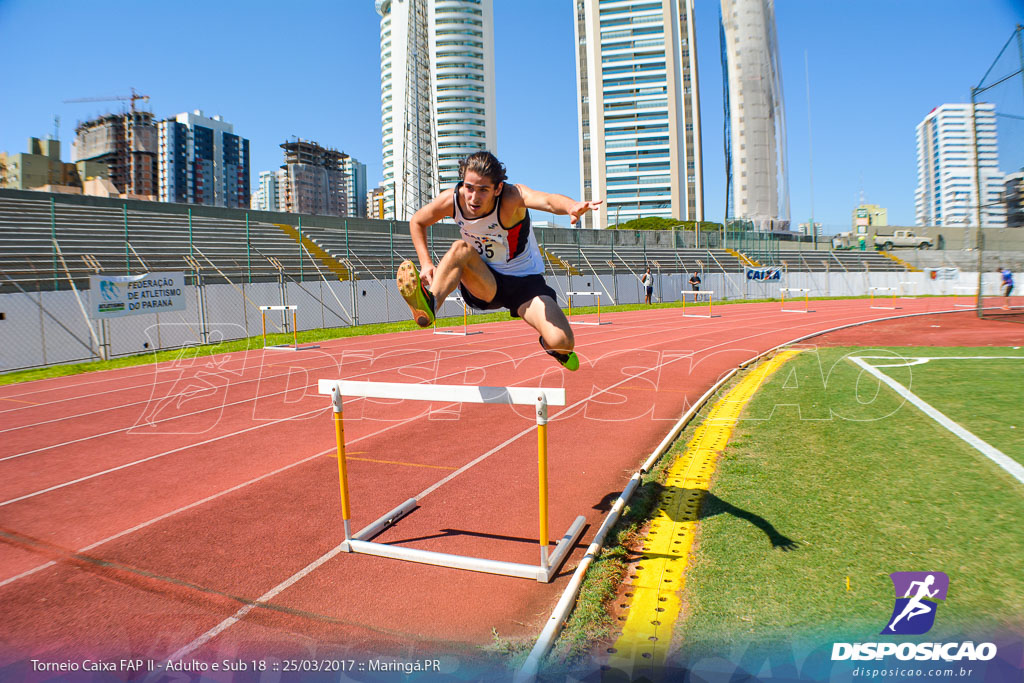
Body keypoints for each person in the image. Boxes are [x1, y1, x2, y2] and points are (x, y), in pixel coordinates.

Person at [396, 151, 601, 371]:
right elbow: (418, 220)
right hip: (485, 281)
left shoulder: (512, 197)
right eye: (469, 187)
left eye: (483, 190)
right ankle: (430, 304)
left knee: (564, 342)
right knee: (460, 249)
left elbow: (548, 201)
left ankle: (552, 347)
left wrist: (570, 206)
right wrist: (426, 263)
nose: (474, 197)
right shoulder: (453, 200)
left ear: (498, 189)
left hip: (525, 285)